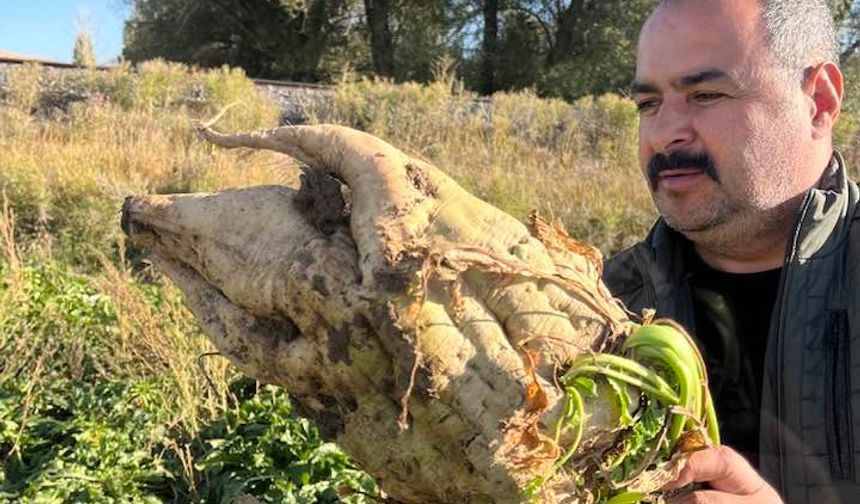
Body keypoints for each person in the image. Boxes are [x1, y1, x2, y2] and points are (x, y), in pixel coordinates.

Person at [604, 0, 860, 503]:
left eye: (706, 94)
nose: (662, 134)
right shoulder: (599, 306)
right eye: (648, 104)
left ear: (820, 101)